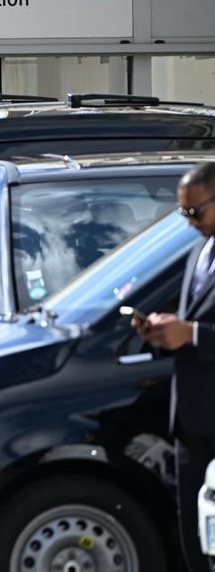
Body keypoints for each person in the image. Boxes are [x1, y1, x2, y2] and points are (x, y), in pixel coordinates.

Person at [133, 161, 215, 572]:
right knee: (193, 538)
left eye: (196, 211)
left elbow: (199, 329)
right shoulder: (200, 249)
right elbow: (190, 321)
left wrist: (195, 334)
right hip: (190, 419)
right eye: (183, 213)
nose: (190, 222)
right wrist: (161, 332)